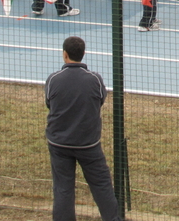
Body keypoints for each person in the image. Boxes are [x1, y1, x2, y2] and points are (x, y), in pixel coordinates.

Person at [45, 37, 121, 221]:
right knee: (102, 185)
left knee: (63, 188)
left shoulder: (54, 79)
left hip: (59, 143)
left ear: (65, 54)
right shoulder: (94, 79)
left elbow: (49, 103)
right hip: (88, 144)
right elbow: (100, 100)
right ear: (83, 54)